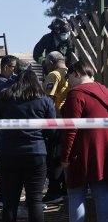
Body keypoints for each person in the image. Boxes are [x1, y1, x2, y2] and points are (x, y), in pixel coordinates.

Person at [0, 70, 56, 222]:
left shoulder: (3, 97)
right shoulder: (44, 100)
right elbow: (52, 131)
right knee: (34, 202)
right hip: (36, 155)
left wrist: (4, 141)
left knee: (9, 202)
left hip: (9, 155)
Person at [60, 61, 108, 222]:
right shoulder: (104, 90)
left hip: (82, 153)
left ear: (77, 73)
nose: (68, 81)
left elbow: (70, 130)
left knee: (76, 194)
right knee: (102, 193)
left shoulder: (76, 94)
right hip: (104, 153)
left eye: (68, 76)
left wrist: (65, 157)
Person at [0, 54, 18, 207]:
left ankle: (2, 195)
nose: (16, 72)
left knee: (5, 163)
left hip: (3, 129)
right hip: (3, 130)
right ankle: (2, 196)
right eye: (14, 68)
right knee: (6, 164)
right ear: (6, 67)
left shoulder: (2, 82)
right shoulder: (1, 84)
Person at [42, 51, 69, 205]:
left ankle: (54, 191)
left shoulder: (53, 75)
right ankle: (65, 188)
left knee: (54, 158)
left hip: (57, 123)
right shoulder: (71, 73)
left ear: (51, 62)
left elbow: (48, 102)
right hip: (72, 122)